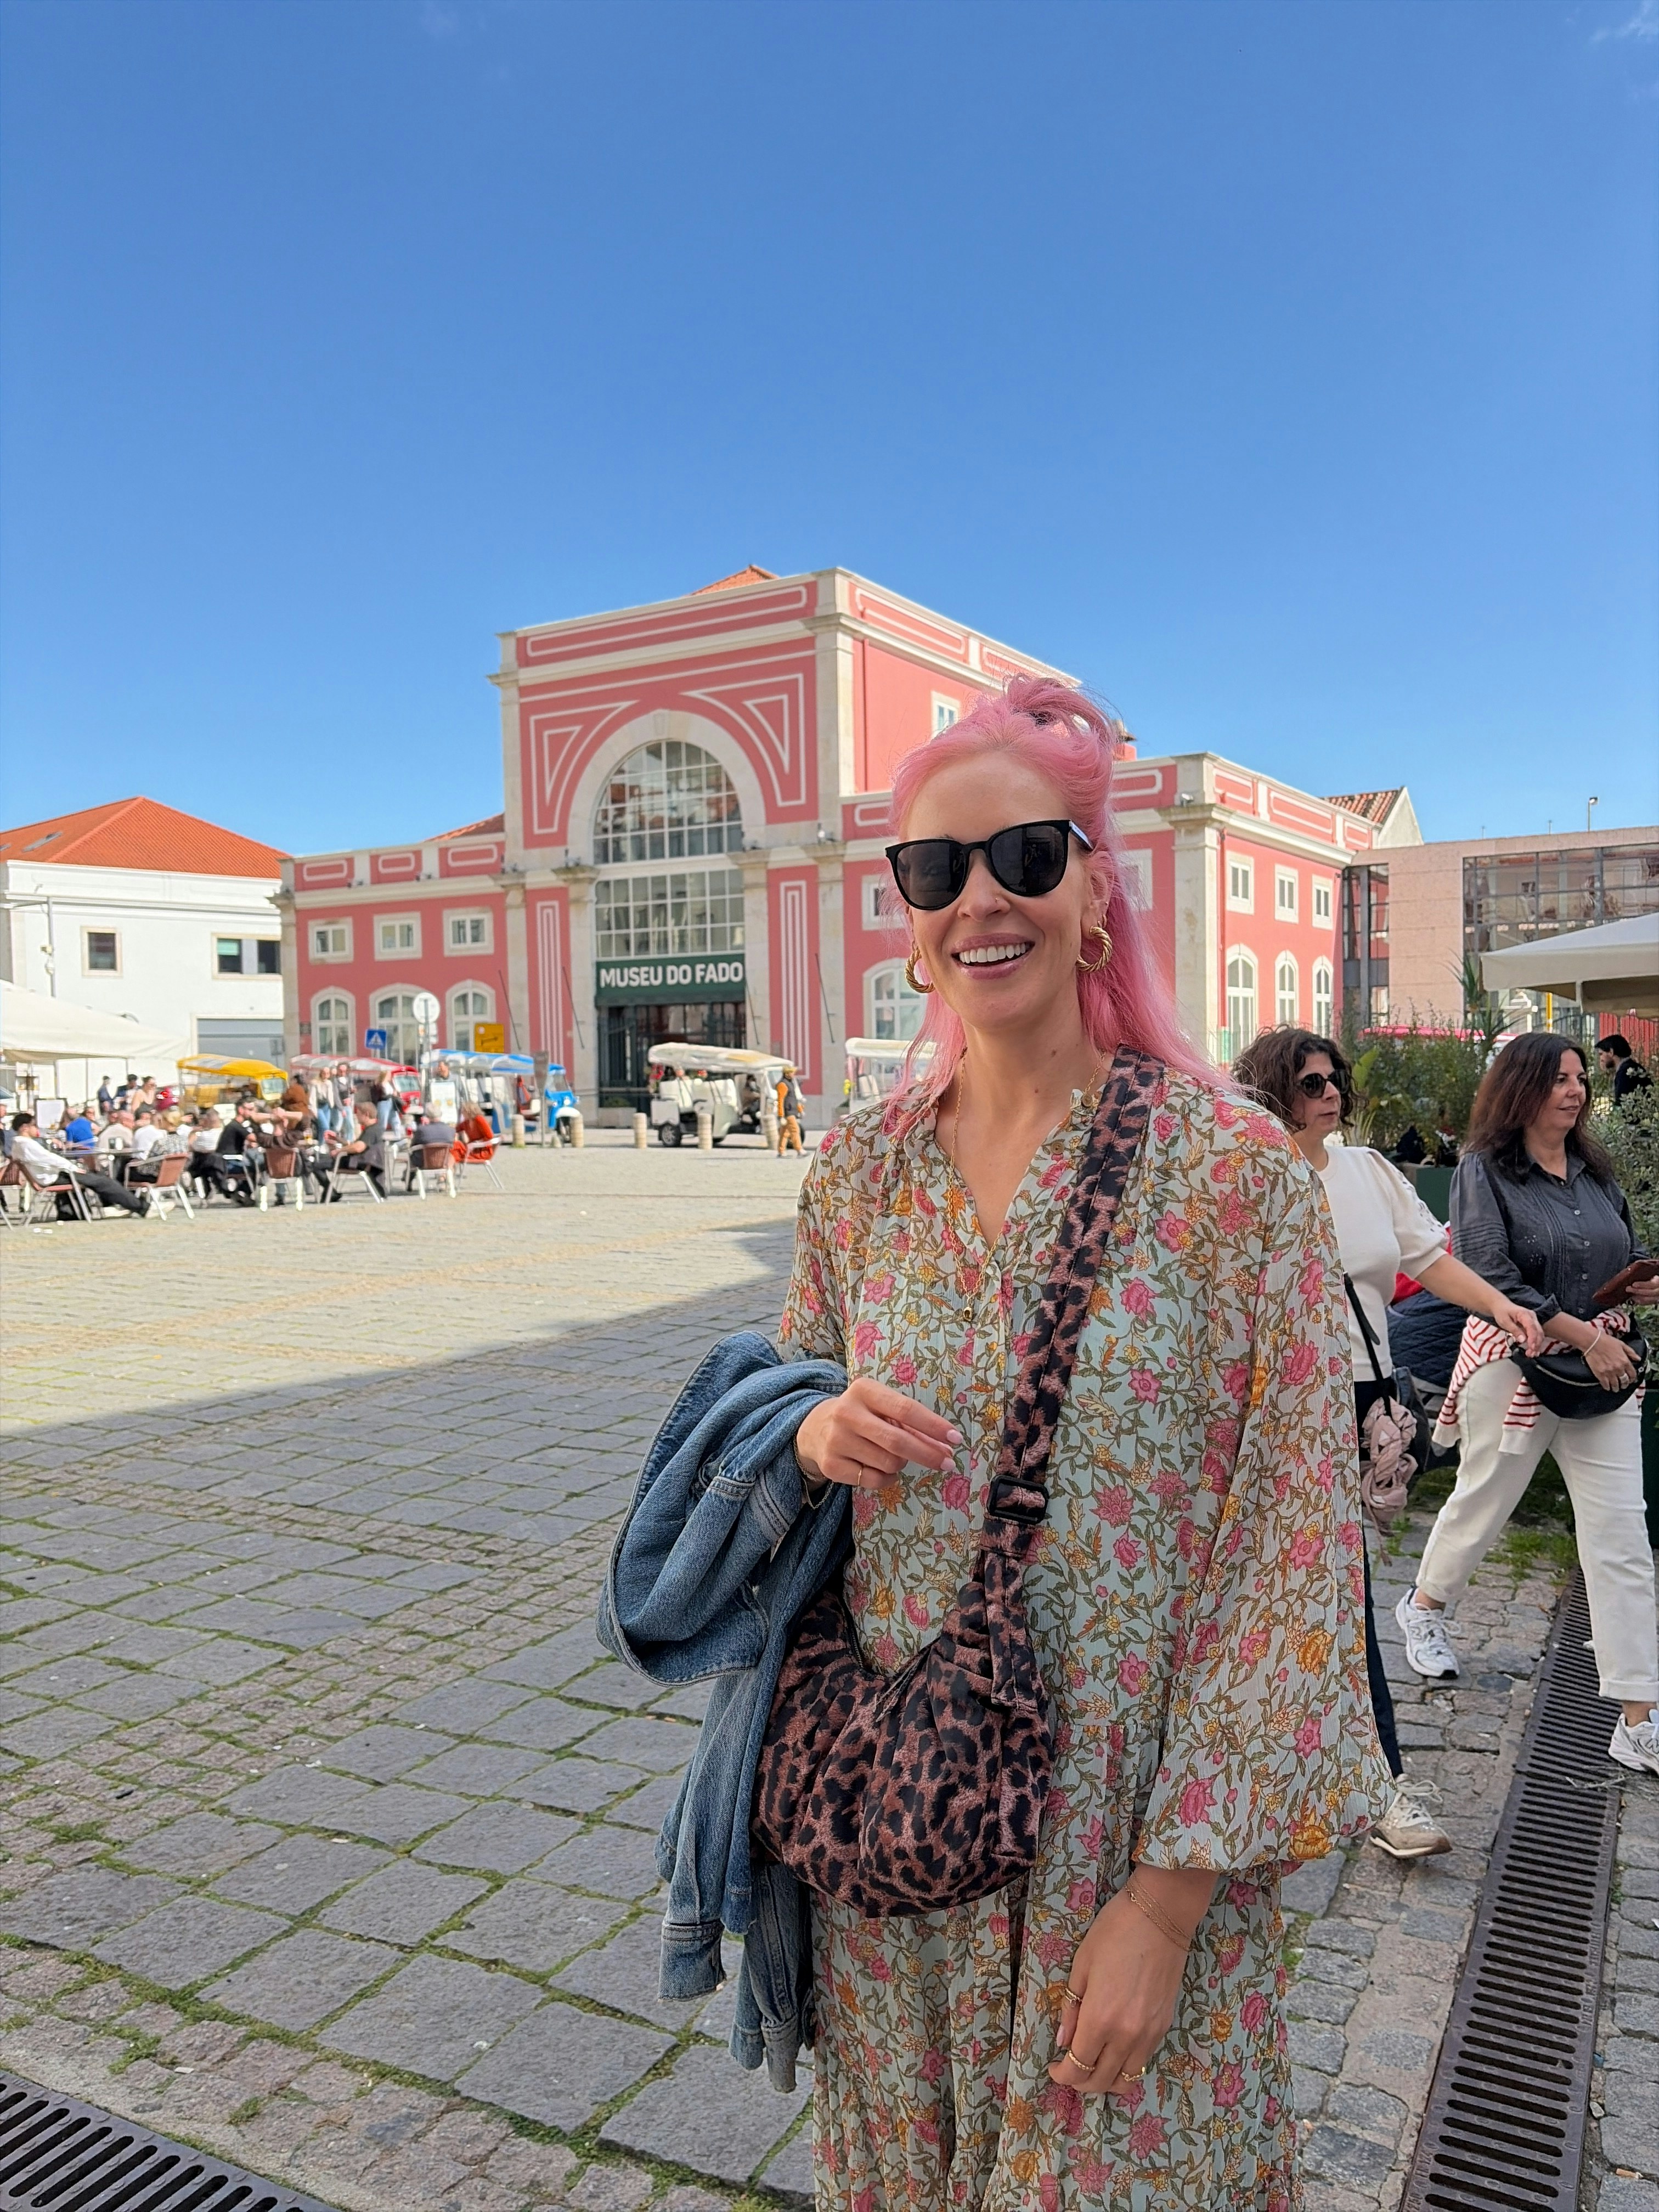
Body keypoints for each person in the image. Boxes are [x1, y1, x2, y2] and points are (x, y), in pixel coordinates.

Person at [775, 679, 1386, 2212]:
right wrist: (810, 1430)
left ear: (1097, 890)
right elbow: (765, 1423)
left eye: (1026, 858)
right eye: (935, 871)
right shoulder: (858, 1175)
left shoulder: (1233, 1174)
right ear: (907, 915)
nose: (981, 898)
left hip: (1129, 1834)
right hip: (904, 1814)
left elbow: (1296, 1546)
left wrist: (1171, 1906)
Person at [1233, 1026, 1545, 1862]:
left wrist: (1503, 1308)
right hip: (1265, 1413)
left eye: (1334, 1079)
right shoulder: (1238, 1176)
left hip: (1355, 1405)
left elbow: (1431, 1260)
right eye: (1308, 1083)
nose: (1330, 1093)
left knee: (1335, 1586)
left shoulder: (1367, 1172)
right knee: (1303, 1589)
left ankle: (1357, 1780)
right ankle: (1360, 1783)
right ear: (1271, 1091)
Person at [1398, 1032, 1659, 1776]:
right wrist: (1577, 1331)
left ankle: (1639, 1718)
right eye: (1559, 1080)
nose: (1576, 1091)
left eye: (1581, 1078)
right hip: (1515, 1364)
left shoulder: (1594, 1172)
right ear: (1523, 1090)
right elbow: (1487, 1269)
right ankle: (1423, 1607)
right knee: (1484, 1502)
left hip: (1603, 1369)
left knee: (1621, 1538)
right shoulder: (1485, 1169)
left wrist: (1637, 1288)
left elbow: (1618, 1250)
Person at [8, 1111, 149, 1216]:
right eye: (34, 1125)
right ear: (25, 1127)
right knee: (104, 1182)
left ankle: (127, 1204)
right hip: (55, 1177)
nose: (37, 1129)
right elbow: (49, 1158)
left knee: (100, 1180)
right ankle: (140, 1207)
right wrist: (73, 1167)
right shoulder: (26, 1144)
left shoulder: (18, 1144)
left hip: (52, 1175)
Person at [319, 1103, 388, 1199]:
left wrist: (339, 1151)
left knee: (316, 1163)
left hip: (357, 1162)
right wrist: (337, 1138)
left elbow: (358, 1148)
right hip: (360, 1161)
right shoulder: (376, 1128)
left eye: (358, 1114)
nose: (356, 1116)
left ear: (366, 1114)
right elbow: (355, 1145)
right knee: (319, 1161)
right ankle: (331, 1192)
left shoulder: (372, 1131)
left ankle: (331, 1192)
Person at [1599, 1032, 1654, 1110]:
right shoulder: (1633, 1067)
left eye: (1601, 1054)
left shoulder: (1625, 1073)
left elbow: (1621, 1106)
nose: (1601, 1059)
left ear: (1611, 1052)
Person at [775, 1069, 804, 1156]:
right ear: (787, 1074)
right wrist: (781, 1115)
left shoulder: (790, 1083)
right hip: (788, 1112)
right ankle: (799, 1150)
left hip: (791, 1111)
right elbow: (781, 1100)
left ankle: (781, 1151)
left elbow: (793, 1099)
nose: (794, 1075)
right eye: (792, 1073)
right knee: (795, 1130)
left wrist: (799, 1109)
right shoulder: (783, 1084)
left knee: (785, 1133)